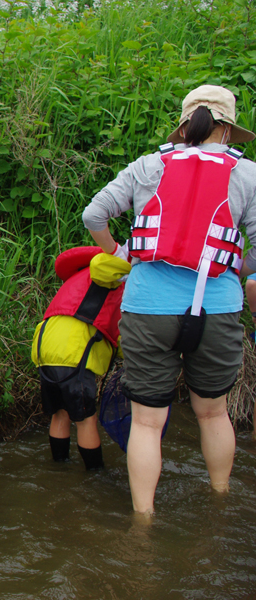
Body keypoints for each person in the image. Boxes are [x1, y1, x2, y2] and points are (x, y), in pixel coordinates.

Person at [82, 84, 256, 514]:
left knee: (146, 420)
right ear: (229, 131)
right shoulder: (248, 173)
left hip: (148, 308)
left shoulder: (147, 166)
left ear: (183, 126)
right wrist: (236, 268)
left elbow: (94, 215)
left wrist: (120, 253)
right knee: (214, 414)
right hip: (217, 307)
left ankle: (144, 520)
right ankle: (219, 499)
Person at [31, 247, 128, 470]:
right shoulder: (105, 275)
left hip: (45, 347)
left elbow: (116, 334)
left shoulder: (79, 279)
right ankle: (95, 475)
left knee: (60, 413)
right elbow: (103, 263)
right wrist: (133, 263)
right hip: (74, 353)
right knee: (86, 419)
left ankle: (59, 468)